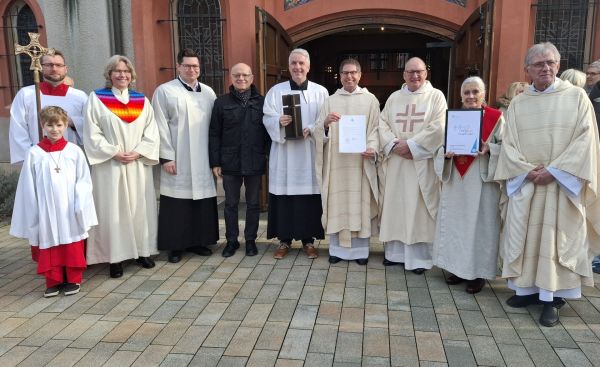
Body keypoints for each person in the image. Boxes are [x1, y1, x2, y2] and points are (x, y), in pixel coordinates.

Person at [495, 42, 600, 327]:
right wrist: (527, 171)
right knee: (525, 237)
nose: (546, 68)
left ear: (558, 64)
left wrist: (554, 171)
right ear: (527, 69)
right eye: (539, 64)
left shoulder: (577, 98)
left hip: (560, 186)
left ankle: (552, 298)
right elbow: (509, 144)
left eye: (551, 62)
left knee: (555, 242)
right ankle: (527, 290)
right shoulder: (519, 102)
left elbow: (586, 141)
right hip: (527, 182)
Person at [83, 55, 160, 278]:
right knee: (112, 210)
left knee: (139, 208)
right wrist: (114, 152)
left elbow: (151, 132)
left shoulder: (141, 100)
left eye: (126, 71)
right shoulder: (96, 99)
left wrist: (138, 152)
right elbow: (92, 132)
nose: (122, 75)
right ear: (109, 74)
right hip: (110, 165)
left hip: (136, 163)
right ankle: (114, 257)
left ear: (132, 75)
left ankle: (142, 252)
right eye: (117, 71)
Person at [10, 106, 97, 297]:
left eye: (59, 125)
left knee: (71, 242)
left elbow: (84, 180)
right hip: (46, 209)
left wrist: (80, 204)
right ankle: (54, 280)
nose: (54, 129)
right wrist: (33, 211)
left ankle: (73, 279)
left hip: (69, 208)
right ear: (42, 126)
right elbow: (28, 186)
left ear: (66, 125)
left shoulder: (74, 151)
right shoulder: (34, 153)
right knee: (49, 243)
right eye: (49, 125)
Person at [433, 76, 503, 294]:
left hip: (482, 182)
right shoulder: (453, 118)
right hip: (457, 180)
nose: (471, 96)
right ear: (461, 95)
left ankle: (479, 273)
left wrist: (490, 148)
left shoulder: (497, 119)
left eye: (475, 92)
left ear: (484, 94)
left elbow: (508, 148)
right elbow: (440, 148)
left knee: (481, 227)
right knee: (457, 225)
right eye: (467, 93)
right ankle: (457, 269)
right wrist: (445, 155)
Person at [378, 57, 447, 274]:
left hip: (421, 164)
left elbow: (440, 126)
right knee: (396, 207)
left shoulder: (436, 97)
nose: (415, 76)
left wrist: (413, 146)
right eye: (410, 72)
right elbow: (382, 123)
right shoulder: (394, 97)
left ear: (426, 72)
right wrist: (393, 144)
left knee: (418, 210)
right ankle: (395, 254)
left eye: (419, 71)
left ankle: (419, 259)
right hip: (397, 163)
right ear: (404, 74)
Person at [152, 48, 218, 263]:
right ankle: (175, 246)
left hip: (203, 158)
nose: (192, 69)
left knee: (202, 202)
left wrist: (215, 158)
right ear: (178, 66)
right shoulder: (165, 91)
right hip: (178, 157)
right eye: (187, 65)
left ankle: (199, 241)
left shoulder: (208, 92)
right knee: (177, 204)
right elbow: (159, 125)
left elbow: (216, 127)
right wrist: (166, 157)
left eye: (195, 66)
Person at [263, 48, 328, 259]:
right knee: (284, 198)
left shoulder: (321, 92)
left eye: (301, 63)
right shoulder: (276, 91)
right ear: (289, 67)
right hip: (285, 155)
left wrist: (312, 127)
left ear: (308, 66)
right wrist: (277, 122)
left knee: (308, 198)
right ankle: (284, 241)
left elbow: (325, 121)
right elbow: (266, 118)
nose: (298, 67)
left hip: (308, 153)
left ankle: (309, 241)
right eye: (293, 63)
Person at [314, 59, 379, 265]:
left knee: (359, 205)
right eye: (345, 73)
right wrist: (325, 124)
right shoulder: (330, 101)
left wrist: (372, 147)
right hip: (336, 164)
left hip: (360, 164)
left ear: (360, 75)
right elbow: (318, 130)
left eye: (353, 73)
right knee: (337, 204)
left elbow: (376, 129)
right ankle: (337, 250)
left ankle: (360, 252)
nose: (349, 77)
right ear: (339, 76)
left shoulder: (370, 101)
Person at [209, 63, 269, 258]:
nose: (241, 78)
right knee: (231, 204)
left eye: (245, 75)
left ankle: (250, 240)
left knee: (252, 204)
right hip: (230, 161)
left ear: (252, 78)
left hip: (254, 160)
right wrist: (215, 162)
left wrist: (268, 157)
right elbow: (214, 134)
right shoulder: (221, 102)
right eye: (237, 75)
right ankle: (232, 240)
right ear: (231, 78)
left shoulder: (262, 102)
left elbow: (268, 132)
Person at [9, 50, 88, 164]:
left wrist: (73, 122)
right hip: (38, 159)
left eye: (58, 65)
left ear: (66, 69)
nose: (54, 69)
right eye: (49, 65)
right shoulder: (26, 94)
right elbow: (18, 128)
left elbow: (90, 126)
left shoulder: (79, 96)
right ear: (41, 67)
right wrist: (30, 157)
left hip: (69, 159)